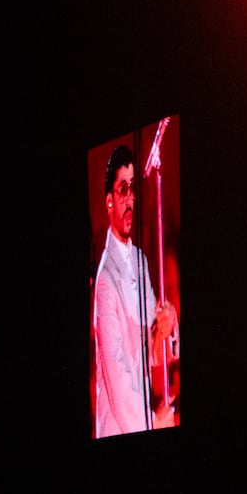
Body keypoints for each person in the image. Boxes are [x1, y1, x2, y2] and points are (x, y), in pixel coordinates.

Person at [93, 140, 177, 436]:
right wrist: (152, 424)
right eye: (123, 189)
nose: (130, 200)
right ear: (109, 201)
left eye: (133, 189)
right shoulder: (105, 281)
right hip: (118, 428)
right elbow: (117, 380)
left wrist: (168, 323)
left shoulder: (140, 262)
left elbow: (153, 347)